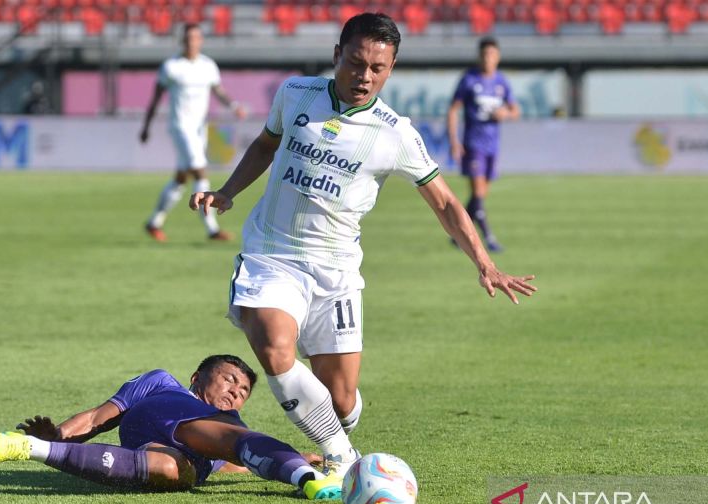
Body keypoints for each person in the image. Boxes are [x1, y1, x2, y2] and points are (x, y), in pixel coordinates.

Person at [190, 13, 537, 478]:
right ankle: (342, 457)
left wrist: (484, 263)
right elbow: (264, 145)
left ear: (391, 68)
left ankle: (336, 425)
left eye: (378, 68)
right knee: (275, 347)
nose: (365, 76)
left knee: (341, 401)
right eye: (356, 63)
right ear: (337, 55)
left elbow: (446, 202)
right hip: (272, 254)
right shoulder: (296, 94)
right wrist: (228, 191)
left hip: (336, 271)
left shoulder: (395, 133)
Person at [0, 354, 341, 499]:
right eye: (229, 379)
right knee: (238, 438)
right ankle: (307, 482)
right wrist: (61, 431)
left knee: (171, 470)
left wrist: (299, 455)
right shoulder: (162, 383)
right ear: (197, 377)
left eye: (243, 390)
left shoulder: (229, 423)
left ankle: (30, 449)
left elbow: (236, 463)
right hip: (165, 413)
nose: (235, 391)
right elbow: (98, 417)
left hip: (175, 453)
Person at [139, 23, 246, 243]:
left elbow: (218, 90)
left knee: (181, 178)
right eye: (187, 38)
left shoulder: (208, 66)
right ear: (182, 41)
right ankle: (212, 229)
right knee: (200, 171)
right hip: (180, 127)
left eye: (195, 37)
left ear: (201, 40)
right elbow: (155, 98)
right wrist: (146, 126)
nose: (191, 42)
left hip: (199, 128)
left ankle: (154, 223)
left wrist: (234, 105)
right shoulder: (171, 67)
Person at [447, 36, 521, 253]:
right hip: (474, 143)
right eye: (485, 54)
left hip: (493, 145)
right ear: (479, 57)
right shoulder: (469, 80)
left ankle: (456, 234)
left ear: (497, 57)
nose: (488, 58)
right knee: (478, 193)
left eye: (492, 54)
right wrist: (454, 140)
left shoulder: (501, 82)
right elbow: (453, 109)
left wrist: (505, 113)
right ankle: (489, 238)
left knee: (480, 196)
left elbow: (516, 111)